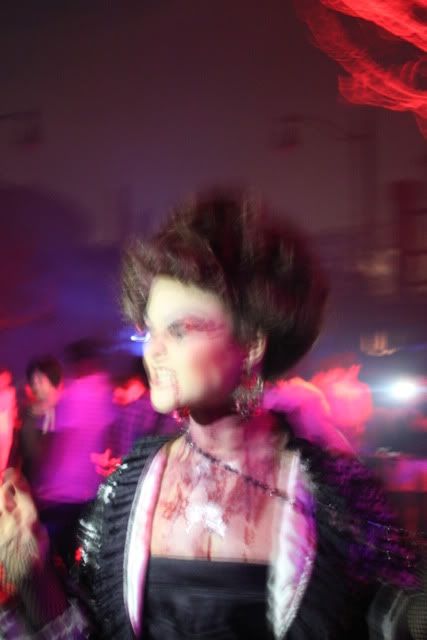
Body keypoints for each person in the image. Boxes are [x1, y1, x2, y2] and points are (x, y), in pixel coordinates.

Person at [0, 191, 422, 639]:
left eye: (179, 330)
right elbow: (81, 631)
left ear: (251, 344)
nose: (153, 352)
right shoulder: (126, 491)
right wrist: (31, 569)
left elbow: (403, 611)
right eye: (149, 330)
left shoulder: (333, 498)